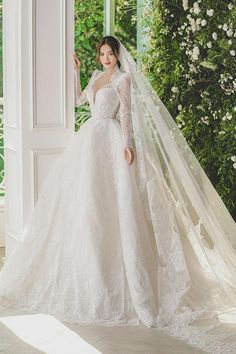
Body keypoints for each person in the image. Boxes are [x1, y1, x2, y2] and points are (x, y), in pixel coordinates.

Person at [0, 35, 236, 353]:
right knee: (86, 207)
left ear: (118, 56)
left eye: (110, 53)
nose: (106, 57)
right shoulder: (97, 77)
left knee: (114, 205)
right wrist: (76, 72)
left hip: (110, 142)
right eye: (102, 53)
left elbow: (125, 114)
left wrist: (127, 144)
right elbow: (77, 102)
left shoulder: (124, 80)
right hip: (88, 145)